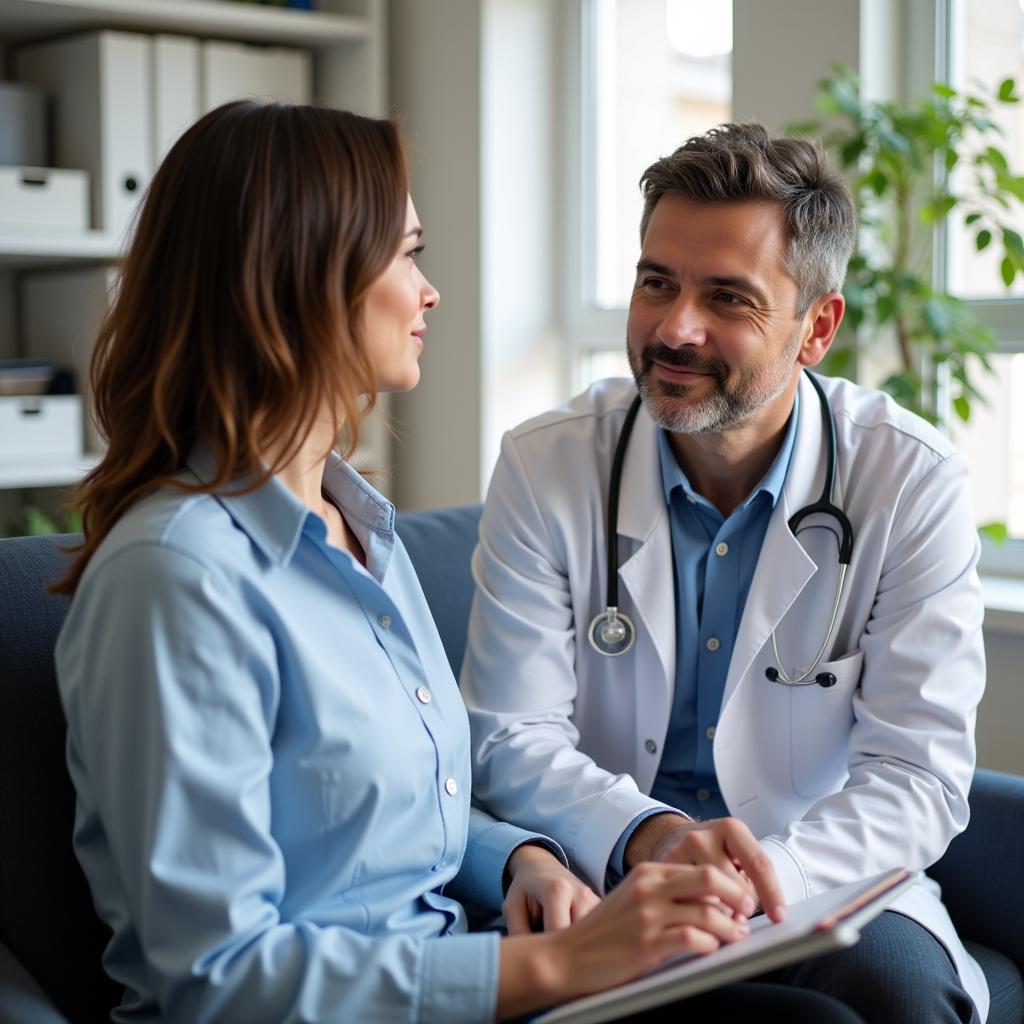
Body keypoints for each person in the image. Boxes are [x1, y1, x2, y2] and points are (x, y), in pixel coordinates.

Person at [52, 103, 867, 1024]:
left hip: (465, 964)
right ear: (297, 281)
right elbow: (215, 979)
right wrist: (564, 966)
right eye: (406, 255)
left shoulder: (355, 531)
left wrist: (522, 858)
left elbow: (403, 811)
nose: (429, 290)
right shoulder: (177, 579)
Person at [462, 122, 988, 1023]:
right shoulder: (546, 464)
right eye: (656, 283)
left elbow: (918, 773)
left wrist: (762, 875)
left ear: (816, 327)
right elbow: (508, 734)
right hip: (605, 869)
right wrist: (650, 836)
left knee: (906, 1002)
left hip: (817, 878)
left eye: (728, 299)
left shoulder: (909, 480)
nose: (675, 328)